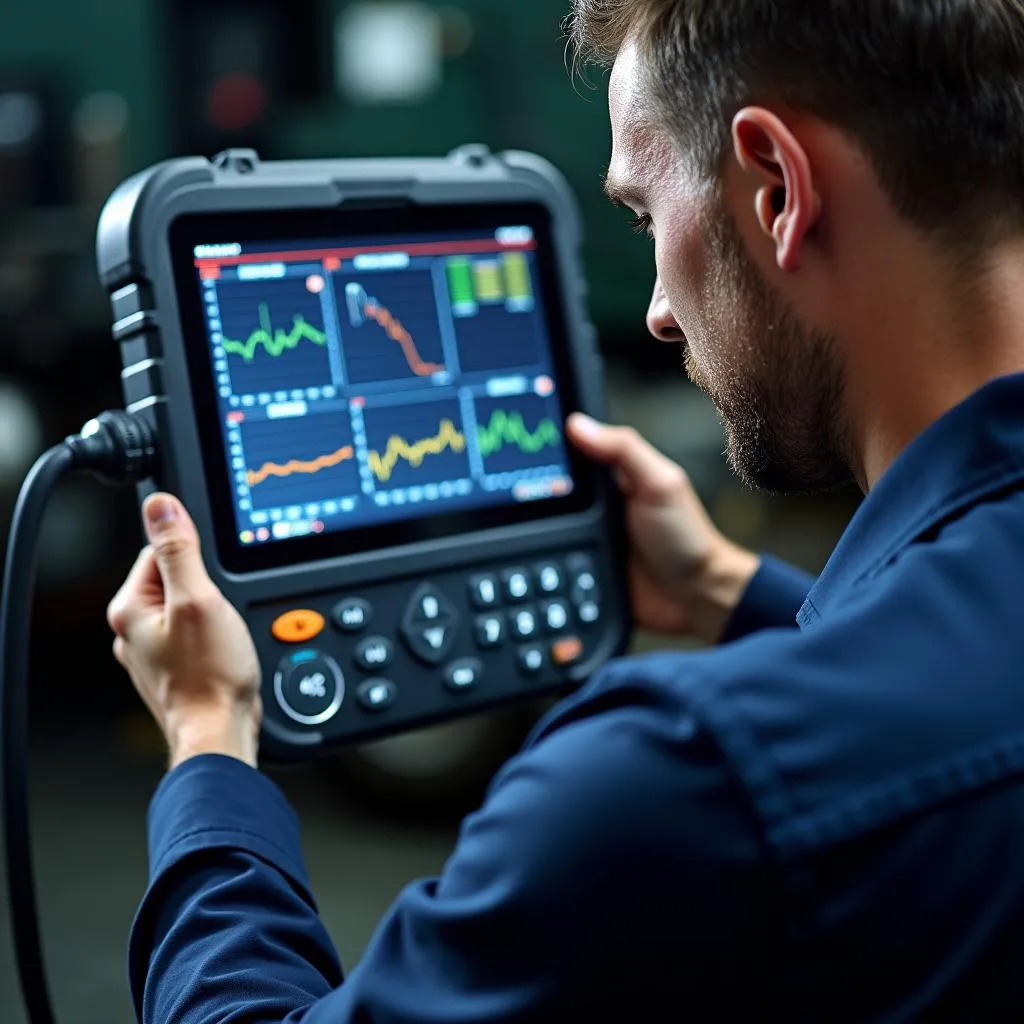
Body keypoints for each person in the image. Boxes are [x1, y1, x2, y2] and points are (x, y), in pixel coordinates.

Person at [107, 1, 1024, 1019]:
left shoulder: (673, 783)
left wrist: (207, 744)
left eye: (644, 214)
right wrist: (723, 587)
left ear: (775, 188)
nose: (659, 314)